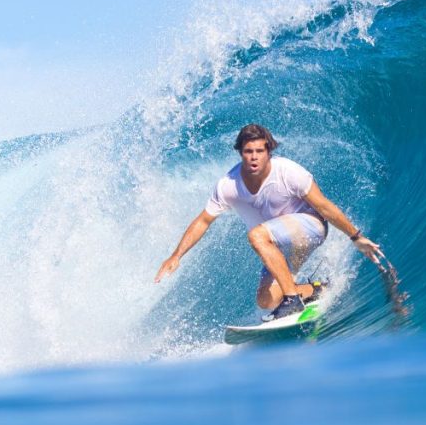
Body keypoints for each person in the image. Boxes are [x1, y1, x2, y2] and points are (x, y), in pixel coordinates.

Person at [155, 123, 383, 321]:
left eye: (259, 151)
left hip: (310, 227)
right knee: (266, 299)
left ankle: (292, 300)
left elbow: (323, 206)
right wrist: (176, 255)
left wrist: (356, 237)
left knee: (257, 235)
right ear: (240, 153)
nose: (254, 157)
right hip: (278, 244)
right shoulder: (228, 185)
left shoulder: (288, 171)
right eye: (248, 151)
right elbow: (203, 220)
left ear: (269, 152)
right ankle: (315, 289)